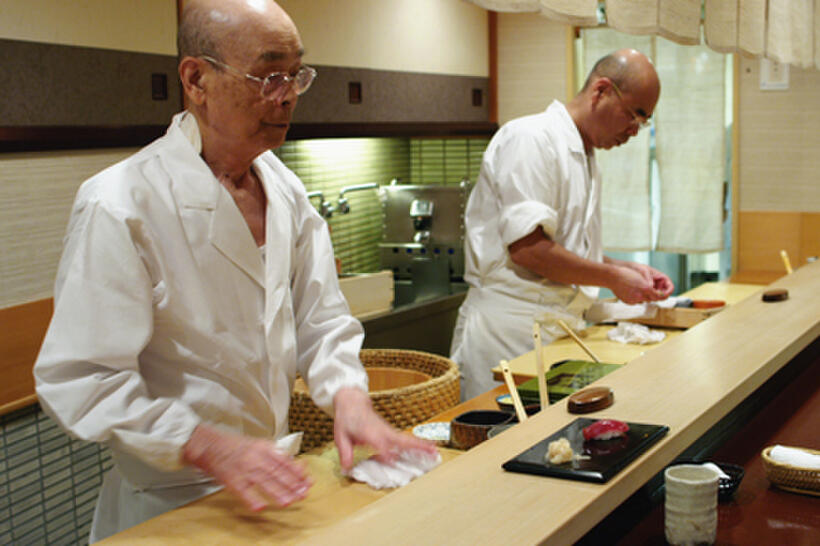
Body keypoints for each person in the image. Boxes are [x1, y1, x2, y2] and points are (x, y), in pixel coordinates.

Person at [33, 0, 433, 541]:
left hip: (273, 488)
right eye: (269, 75)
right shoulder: (120, 203)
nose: (287, 95)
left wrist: (349, 398)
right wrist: (205, 443)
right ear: (197, 79)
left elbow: (322, 322)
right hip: (169, 503)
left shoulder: (284, 189)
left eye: (295, 75)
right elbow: (81, 378)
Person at [450, 49, 674, 400]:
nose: (633, 131)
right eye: (634, 116)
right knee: (502, 445)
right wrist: (613, 278)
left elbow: (565, 249)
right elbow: (529, 251)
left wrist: (625, 268)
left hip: (555, 331)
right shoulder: (530, 138)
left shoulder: (585, 156)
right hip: (508, 332)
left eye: (643, 124)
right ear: (601, 91)